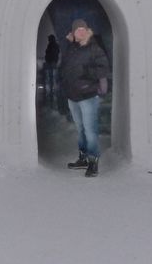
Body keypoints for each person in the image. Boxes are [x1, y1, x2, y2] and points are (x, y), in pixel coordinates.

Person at [59, 18, 110, 177]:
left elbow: (103, 67)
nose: (80, 32)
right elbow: (65, 68)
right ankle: (83, 158)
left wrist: (87, 73)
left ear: (87, 31)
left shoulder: (94, 48)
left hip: (88, 95)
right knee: (80, 129)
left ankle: (93, 161)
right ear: (73, 33)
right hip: (73, 96)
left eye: (82, 29)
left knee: (90, 130)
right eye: (77, 30)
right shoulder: (71, 48)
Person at [43, 34, 60, 104]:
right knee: (53, 82)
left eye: (49, 38)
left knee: (51, 82)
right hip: (53, 64)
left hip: (51, 64)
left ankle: (51, 100)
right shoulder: (54, 45)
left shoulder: (51, 45)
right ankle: (53, 99)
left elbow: (49, 55)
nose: (48, 40)